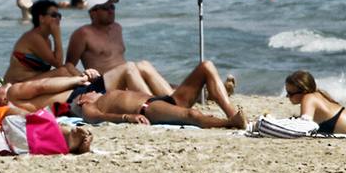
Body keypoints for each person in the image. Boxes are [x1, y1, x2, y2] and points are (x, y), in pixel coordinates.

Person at [69, 60, 246, 129]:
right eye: (89, 92)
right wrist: (127, 117)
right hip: (149, 108)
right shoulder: (88, 105)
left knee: (206, 66)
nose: (93, 90)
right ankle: (230, 122)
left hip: (164, 100)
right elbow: (98, 118)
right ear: (83, 99)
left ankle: (232, 113)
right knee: (192, 115)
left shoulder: (102, 95)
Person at [65, 0, 173, 94]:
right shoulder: (82, 34)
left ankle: (172, 101)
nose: (111, 11)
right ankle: (155, 104)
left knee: (144, 64)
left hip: (127, 77)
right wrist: (84, 77)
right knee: (130, 66)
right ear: (93, 12)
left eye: (112, 7)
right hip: (104, 84)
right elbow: (69, 65)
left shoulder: (117, 28)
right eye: (106, 8)